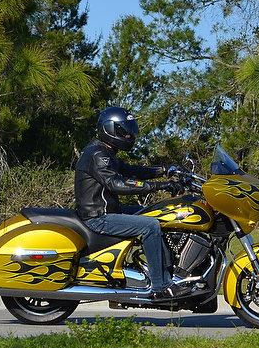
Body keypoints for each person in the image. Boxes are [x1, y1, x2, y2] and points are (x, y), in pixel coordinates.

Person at [75, 106, 192, 301]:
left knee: (156, 213)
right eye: (124, 131)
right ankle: (161, 287)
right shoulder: (98, 155)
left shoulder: (104, 151)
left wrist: (164, 170)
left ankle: (170, 273)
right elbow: (117, 184)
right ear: (110, 129)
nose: (129, 136)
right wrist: (161, 186)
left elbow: (131, 170)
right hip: (99, 218)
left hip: (109, 211)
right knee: (150, 225)